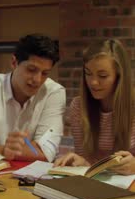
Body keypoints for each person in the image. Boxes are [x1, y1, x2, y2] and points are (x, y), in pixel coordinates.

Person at [0, 34, 65, 162]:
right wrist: (3, 150)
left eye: (45, 73)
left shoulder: (54, 92)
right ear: (13, 62)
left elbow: (45, 152)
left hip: (30, 174)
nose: (37, 80)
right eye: (31, 69)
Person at [54, 39, 135, 175]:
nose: (93, 82)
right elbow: (87, 161)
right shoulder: (78, 106)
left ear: (119, 77)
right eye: (88, 73)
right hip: (96, 183)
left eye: (102, 75)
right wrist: (82, 162)